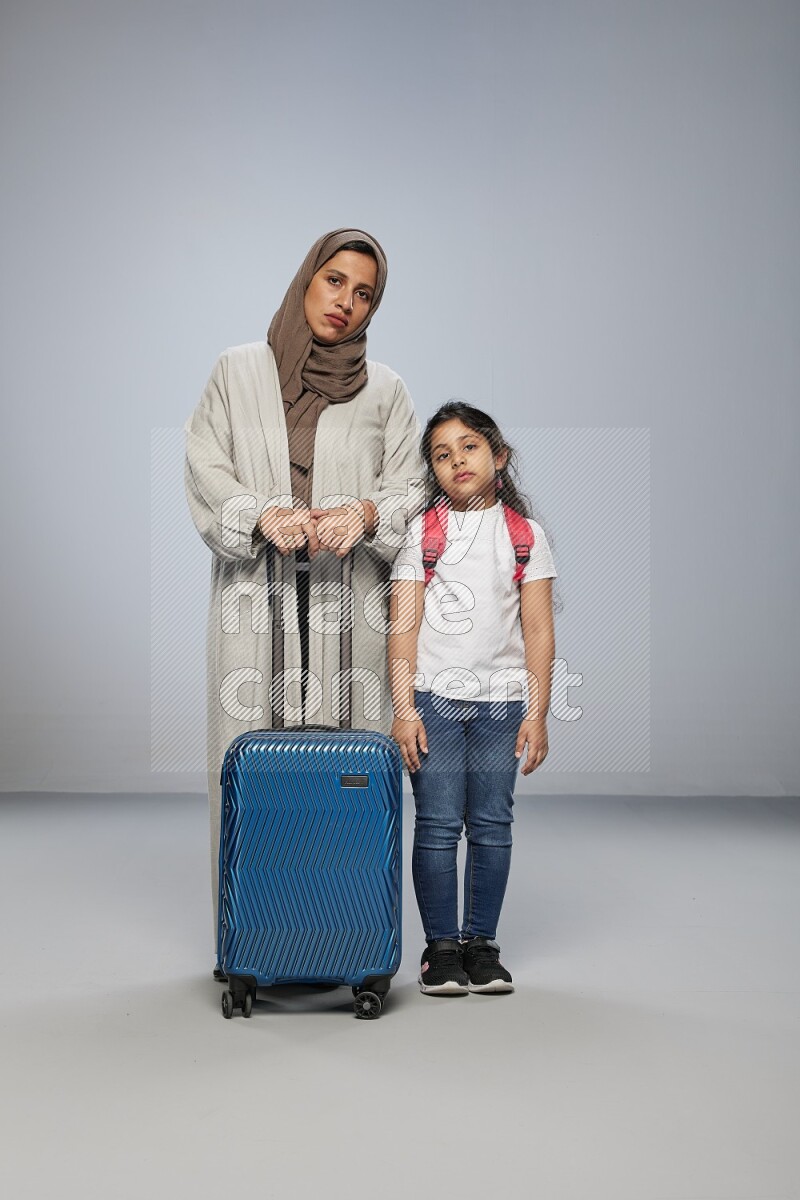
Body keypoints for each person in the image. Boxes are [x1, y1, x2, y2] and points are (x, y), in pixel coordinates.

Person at [184, 228, 425, 960]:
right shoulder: (237, 371)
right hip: (254, 606)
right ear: (305, 280)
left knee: (349, 771)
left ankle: (349, 937)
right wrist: (261, 513)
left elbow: (413, 485)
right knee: (252, 766)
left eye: (365, 295)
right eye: (334, 282)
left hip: (348, 611)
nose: (345, 304)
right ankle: (253, 939)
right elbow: (204, 465)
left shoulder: (386, 390)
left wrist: (366, 513)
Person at [387, 401, 557, 996]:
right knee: (435, 825)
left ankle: (481, 945)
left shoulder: (524, 535)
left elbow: (537, 629)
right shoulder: (422, 533)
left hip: (501, 705)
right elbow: (403, 624)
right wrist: (404, 707)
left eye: (469, 446)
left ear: (499, 456)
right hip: (434, 699)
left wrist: (536, 711)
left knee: (490, 825)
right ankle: (440, 951)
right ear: (432, 471)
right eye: (441, 454)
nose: (456, 459)